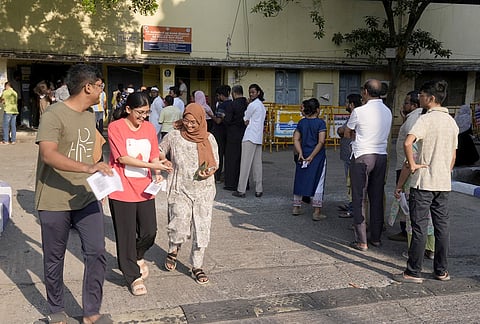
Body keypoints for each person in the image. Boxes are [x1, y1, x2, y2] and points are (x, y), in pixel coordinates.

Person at [35, 64, 113, 324]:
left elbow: (90, 151)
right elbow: (48, 154)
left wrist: (100, 179)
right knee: (54, 258)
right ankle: (56, 310)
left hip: (85, 195)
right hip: (54, 198)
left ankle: (91, 312)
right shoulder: (53, 115)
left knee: (96, 251)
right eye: (100, 86)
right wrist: (87, 167)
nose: (103, 91)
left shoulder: (90, 115)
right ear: (88, 87)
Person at [393, 80, 459, 284]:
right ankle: (441, 270)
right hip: (443, 182)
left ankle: (413, 271)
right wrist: (444, 170)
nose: (418, 98)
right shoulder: (451, 121)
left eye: (421, 95)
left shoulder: (426, 120)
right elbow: (453, 155)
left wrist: (412, 164)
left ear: (430, 98)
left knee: (419, 226)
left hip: (423, 183)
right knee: (441, 227)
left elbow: (407, 142)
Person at [107, 91, 173, 296]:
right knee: (125, 235)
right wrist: (150, 165)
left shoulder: (149, 128)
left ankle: (136, 255)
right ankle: (132, 277)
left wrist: (158, 170)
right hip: (121, 189)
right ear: (128, 109)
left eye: (146, 112)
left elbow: (154, 154)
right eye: (140, 112)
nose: (143, 117)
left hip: (145, 189)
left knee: (149, 231)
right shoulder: (115, 127)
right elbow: (123, 158)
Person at [159, 103, 219, 285]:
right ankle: (173, 249)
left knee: (201, 228)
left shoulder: (209, 138)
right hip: (180, 187)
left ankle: (197, 266)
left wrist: (209, 171)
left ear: (201, 120)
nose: (189, 125)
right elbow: (160, 151)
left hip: (204, 190)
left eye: (194, 122)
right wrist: (163, 161)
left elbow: (215, 163)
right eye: (186, 120)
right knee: (179, 222)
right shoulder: (174, 136)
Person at [345, 79, 392, 252]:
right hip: (381, 156)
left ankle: (361, 240)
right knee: (377, 197)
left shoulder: (359, 111)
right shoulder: (387, 111)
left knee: (359, 197)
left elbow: (348, 132)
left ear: (365, 92)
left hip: (362, 156)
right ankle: (376, 238)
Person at [388, 91, 423, 241]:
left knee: (404, 198)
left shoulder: (413, 120)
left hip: (407, 165)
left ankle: (407, 233)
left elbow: (411, 145)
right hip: (407, 164)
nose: (403, 105)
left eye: (406, 103)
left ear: (414, 105)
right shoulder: (414, 117)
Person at [291, 98, 327, 220]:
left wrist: (300, 152)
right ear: (317, 110)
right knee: (318, 181)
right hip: (317, 156)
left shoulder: (302, 123)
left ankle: (296, 206)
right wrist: (312, 156)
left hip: (303, 153)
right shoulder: (321, 123)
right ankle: (316, 212)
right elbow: (321, 141)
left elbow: (295, 139)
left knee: (300, 179)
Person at [232, 84, 266, 198]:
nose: (251, 94)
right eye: (250, 92)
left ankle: (241, 190)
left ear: (258, 93)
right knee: (257, 164)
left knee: (245, 164)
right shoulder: (262, 106)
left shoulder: (252, 105)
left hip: (249, 136)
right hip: (258, 137)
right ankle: (259, 189)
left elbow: (245, 120)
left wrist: (248, 118)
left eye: (253, 92)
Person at [336, 93, 362, 218]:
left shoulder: (356, 115)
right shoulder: (352, 115)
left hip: (352, 154)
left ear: (351, 104)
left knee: (352, 182)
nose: (345, 105)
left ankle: (353, 208)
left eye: (347, 102)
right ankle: (351, 204)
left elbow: (343, 131)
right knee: (350, 182)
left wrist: (341, 130)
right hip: (348, 154)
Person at [223, 85, 248, 191]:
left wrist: (224, 117)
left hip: (233, 134)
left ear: (233, 93)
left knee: (231, 160)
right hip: (245, 133)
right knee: (243, 160)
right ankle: (244, 183)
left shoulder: (232, 105)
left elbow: (227, 120)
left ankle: (231, 183)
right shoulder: (247, 104)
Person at [212, 85, 231, 183]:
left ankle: (218, 177)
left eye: (218, 95)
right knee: (227, 155)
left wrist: (211, 115)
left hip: (220, 133)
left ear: (221, 95)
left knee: (218, 155)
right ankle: (227, 175)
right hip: (228, 132)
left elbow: (218, 120)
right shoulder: (231, 104)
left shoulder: (222, 105)